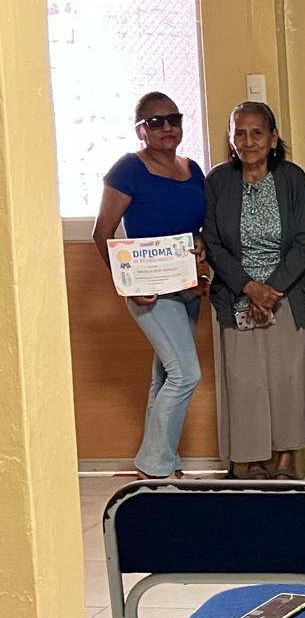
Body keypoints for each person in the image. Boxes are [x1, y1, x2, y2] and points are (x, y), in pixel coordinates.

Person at [203, 102, 305, 480]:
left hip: (286, 293)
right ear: (231, 139)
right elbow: (213, 242)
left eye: (257, 133)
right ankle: (254, 460)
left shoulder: (292, 178)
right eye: (239, 133)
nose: (248, 141)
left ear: (273, 138)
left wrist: (270, 290)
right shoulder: (218, 181)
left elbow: (304, 242)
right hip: (236, 294)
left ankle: (287, 460)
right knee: (245, 382)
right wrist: (249, 287)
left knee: (287, 378)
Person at [92, 92, 206, 479]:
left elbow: (195, 228)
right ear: (140, 130)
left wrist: (200, 244)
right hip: (150, 292)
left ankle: (164, 462)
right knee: (186, 374)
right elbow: (102, 233)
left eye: (174, 119)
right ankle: (153, 467)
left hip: (187, 287)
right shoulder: (128, 169)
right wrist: (127, 285)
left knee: (166, 376)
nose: (167, 127)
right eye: (156, 122)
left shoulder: (192, 169)